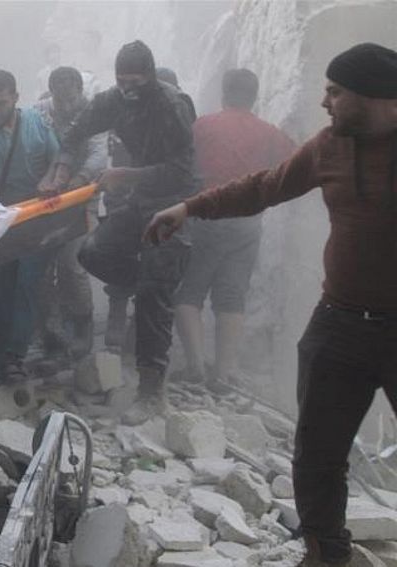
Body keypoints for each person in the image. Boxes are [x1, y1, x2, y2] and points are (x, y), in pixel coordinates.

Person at [144, 43, 397, 567]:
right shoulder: (329, 146)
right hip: (340, 322)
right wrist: (190, 207)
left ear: (374, 96)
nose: (324, 102)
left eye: (335, 92)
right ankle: (325, 554)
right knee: (317, 454)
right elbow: (265, 187)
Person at [49, 40, 198, 424]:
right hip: (139, 200)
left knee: (153, 296)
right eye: (122, 82)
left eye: (135, 82)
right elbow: (75, 132)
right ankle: (151, 287)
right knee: (92, 252)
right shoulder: (112, 100)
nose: (128, 90)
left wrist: (126, 175)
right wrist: (61, 172)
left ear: (149, 76)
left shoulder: (172, 105)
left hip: (173, 204)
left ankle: (151, 393)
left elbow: (182, 172)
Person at [172, 69, 295, 389]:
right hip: (247, 223)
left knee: (189, 291)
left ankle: (195, 367)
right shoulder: (270, 133)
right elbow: (293, 167)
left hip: (206, 217)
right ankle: (224, 373)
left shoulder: (202, 126)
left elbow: (180, 165)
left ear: (224, 93)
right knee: (232, 295)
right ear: (254, 96)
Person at [0, 69, 60, 383]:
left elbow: (57, 160)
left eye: (1, 104)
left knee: (27, 284)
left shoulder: (38, 122)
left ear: (16, 99)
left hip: (38, 217)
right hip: (3, 219)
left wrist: (49, 180)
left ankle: (15, 356)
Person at [33, 66, 99, 361]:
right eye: (60, 100)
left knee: (72, 264)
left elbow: (98, 154)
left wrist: (77, 181)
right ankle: (51, 331)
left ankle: (84, 325)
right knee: (43, 269)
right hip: (45, 198)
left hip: (82, 197)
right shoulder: (40, 111)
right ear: (51, 94)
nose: (66, 106)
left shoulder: (93, 112)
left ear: (80, 93)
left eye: (71, 99)